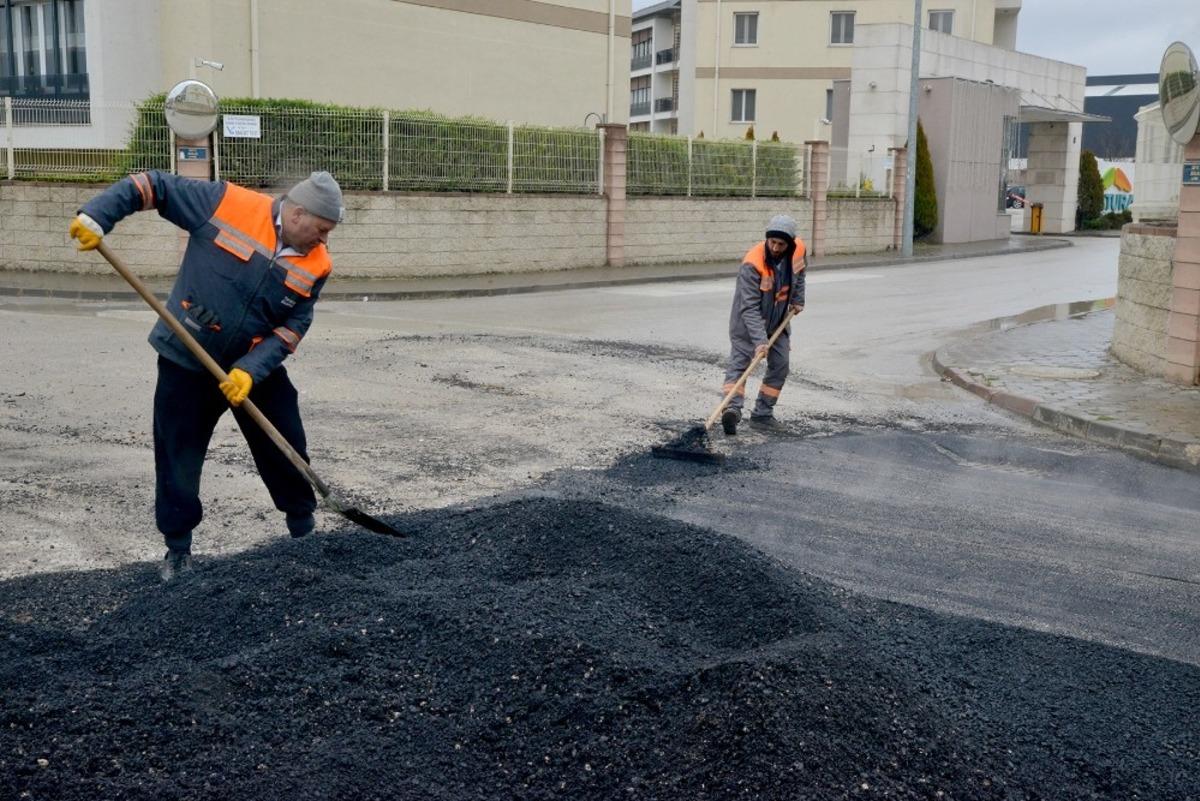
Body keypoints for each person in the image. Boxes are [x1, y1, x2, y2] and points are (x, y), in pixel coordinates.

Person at [69, 170, 345, 581]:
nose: (323, 241)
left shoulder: (318, 264)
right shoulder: (226, 203)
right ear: (298, 213)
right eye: (321, 230)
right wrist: (97, 216)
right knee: (177, 453)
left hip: (251, 367)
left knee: (284, 438)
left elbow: (293, 326)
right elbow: (153, 187)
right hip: (187, 357)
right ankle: (178, 550)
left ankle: (303, 531)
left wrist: (250, 371)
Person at [721, 214, 806, 435]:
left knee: (780, 364)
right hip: (747, 324)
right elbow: (748, 307)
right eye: (772, 242)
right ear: (766, 239)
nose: (776, 248)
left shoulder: (798, 251)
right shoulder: (752, 263)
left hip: (778, 321)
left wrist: (798, 298)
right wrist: (760, 341)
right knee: (740, 364)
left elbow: (801, 273)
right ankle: (731, 410)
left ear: (790, 244)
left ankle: (762, 414)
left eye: (781, 244)